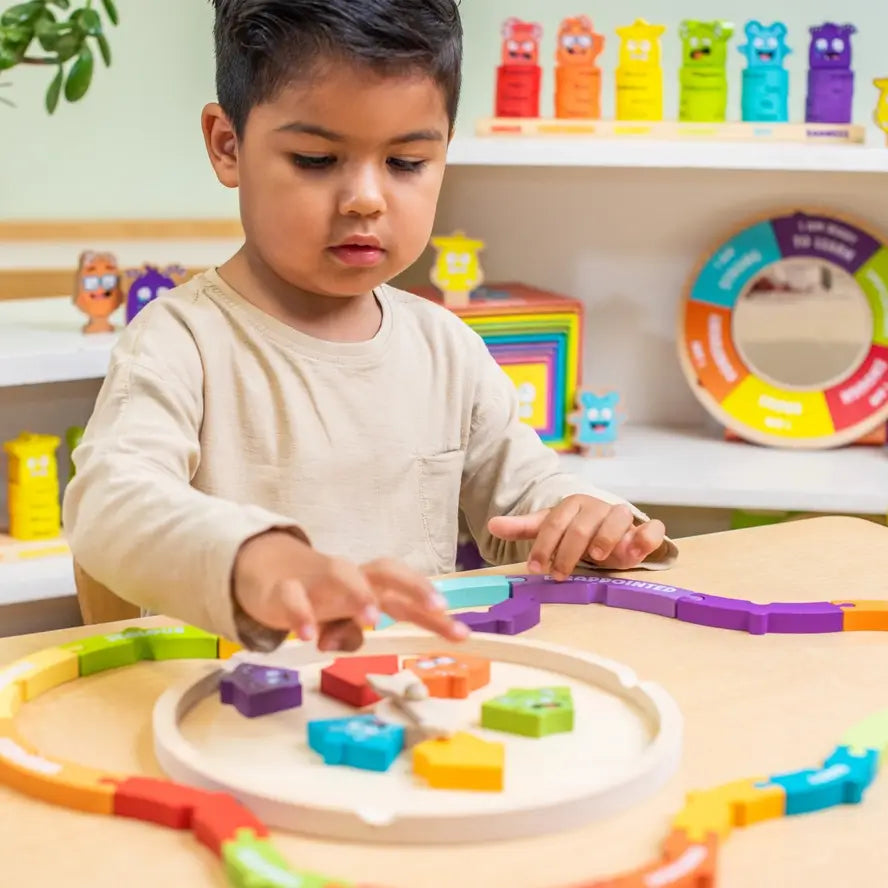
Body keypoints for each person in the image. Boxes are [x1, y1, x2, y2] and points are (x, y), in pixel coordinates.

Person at [63, 0, 677, 657]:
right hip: (225, 710)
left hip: (411, 700)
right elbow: (109, 502)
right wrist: (257, 560)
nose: (366, 198)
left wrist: (588, 519)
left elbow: (528, 496)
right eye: (316, 159)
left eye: (407, 163)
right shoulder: (179, 341)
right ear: (228, 145)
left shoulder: (447, 348)